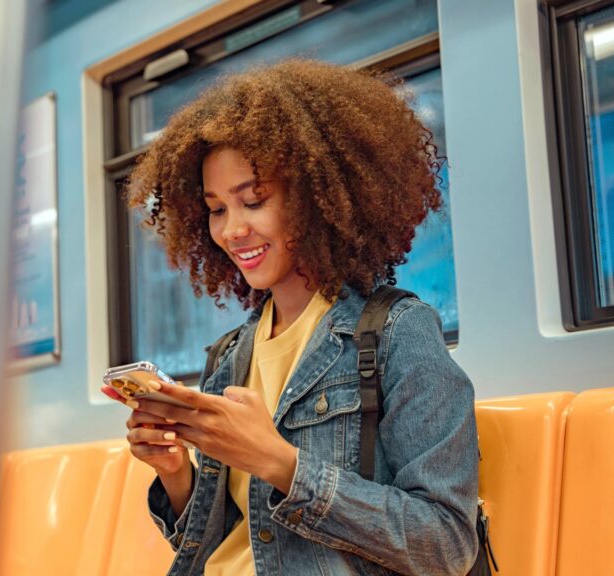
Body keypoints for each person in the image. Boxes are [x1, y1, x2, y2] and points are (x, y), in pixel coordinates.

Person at [110, 59, 478, 575]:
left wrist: (281, 464)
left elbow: (446, 544)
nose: (232, 230)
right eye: (217, 209)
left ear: (314, 200)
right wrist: (174, 472)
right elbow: (225, 541)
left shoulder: (396, 333)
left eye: (253, 201)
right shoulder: (230, 355)